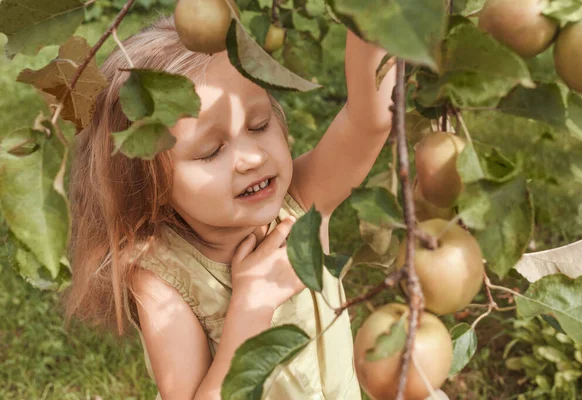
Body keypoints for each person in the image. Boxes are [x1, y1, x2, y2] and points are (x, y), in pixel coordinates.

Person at [62, 13, 396, 400]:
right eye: (210, 151)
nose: (251, 157)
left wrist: (374, 10)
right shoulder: (162, 279)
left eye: (258, 125)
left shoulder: (303, 202)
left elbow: (368, 120)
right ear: (150, 183)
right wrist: (251, 305)